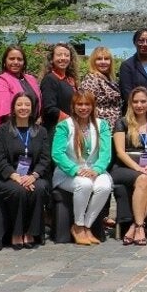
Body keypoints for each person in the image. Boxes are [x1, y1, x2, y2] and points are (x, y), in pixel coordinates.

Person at [0, 92, 52, 248]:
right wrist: (16, 176)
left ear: (33, 108)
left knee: (39, 188)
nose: (23, 108)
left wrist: (34, 176)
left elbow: (45, 159)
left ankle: (31, 232)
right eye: (19, 104)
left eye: (27, 105)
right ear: (13, 108)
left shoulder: (40, 131)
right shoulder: (2, 131)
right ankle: (16, 233)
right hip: (8, 178)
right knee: (19, 190)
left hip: (33, 177)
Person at [52, 90, 113, 246]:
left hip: (94, 170)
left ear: (93, 107)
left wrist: (97, 169)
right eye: (80, 104)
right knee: (84, 184)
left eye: (87, 104)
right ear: (73, 106)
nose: (83, 107)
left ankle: (86, 226)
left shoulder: (102, 125)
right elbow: (57, 153)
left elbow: (106, 153)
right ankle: (78, 226)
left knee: (105, 186)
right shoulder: (64, 126)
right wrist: (76, 170)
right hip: (68, 173)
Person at [110, 86, 147, 246]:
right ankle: (140, 227)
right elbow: (120, 152)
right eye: (135, 102)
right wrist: (137, 168)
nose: (139, 105)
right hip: (124, 168)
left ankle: (135, 226)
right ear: (130, 103)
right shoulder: (122, 122)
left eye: (143, 101)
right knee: (141, 179)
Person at [0, 46, 42, 129]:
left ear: (24, 62)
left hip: (33, 128)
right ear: (5, 61)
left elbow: (38, 104)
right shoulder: (1, 81)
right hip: (12, 129)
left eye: (19, 59)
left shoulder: (31, 79)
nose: (16, 62)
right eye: (11, 59)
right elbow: (5, 113)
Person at [39, 43, 78, 128]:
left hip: (70, 127)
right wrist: (69, 120)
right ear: (52, 59)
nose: (63, 58)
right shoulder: (50, 79)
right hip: (56, 129)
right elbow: (49, 108)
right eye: (59, 55)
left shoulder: (70, 79)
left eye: (66, 55)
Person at [84, 46, 123, 124]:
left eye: (106, 59)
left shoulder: (111, 79)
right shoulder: (91, 79)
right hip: (101, 127)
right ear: (93, 61)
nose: (103, 62)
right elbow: (86, 106)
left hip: (115, 125)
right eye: (99, 59)